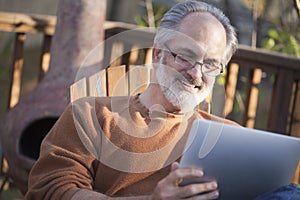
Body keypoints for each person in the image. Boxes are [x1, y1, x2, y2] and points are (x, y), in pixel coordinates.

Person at [25, 1, 300, 199]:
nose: (196, 74)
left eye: (211, 64)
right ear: (157, 54)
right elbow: (51, 190)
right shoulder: (93, 115)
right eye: (186, 57)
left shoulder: (231, 138)